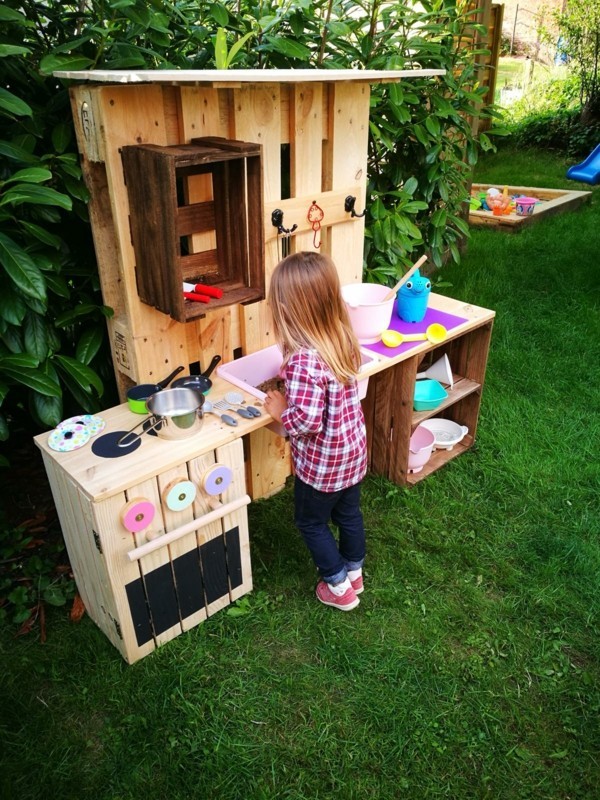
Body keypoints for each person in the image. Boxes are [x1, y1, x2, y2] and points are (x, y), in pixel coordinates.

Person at [263, 251, 367, 611]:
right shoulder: (341, 337)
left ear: (289, 310)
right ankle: (355, 572)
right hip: (352, 455)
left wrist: (280, 410)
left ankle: (338, 586)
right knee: (349, 514)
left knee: (310, 522)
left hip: (323, 468)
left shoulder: (304, 362)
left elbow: (306, 422)